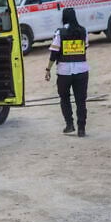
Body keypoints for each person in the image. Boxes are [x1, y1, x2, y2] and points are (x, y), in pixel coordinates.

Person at [45, 7, 90, 137]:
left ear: (63, 18)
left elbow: (54, 54)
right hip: (81, 71)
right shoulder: (83, 31)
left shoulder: (60, 33)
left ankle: (69, 125)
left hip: (64, 72)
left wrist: (48, 69)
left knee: (64, 98)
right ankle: (81, 129)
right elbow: (85, 48)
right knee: (81, 100)